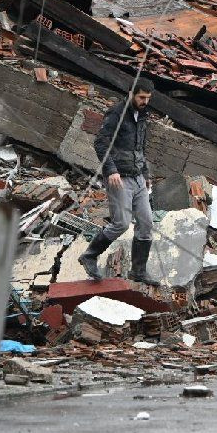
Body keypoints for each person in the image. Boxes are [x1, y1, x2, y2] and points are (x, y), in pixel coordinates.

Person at [78, 79, 157, 285]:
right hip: (119, 177)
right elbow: (101, 142)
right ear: (131, 93)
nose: (144, 101)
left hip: (138, 176)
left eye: (148, 98)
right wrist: (110, 170)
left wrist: (146, 174)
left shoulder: (143, 116)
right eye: (141, 97)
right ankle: (90, 255)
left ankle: (138, 272)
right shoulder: (116, 113)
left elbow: (141, 147)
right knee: (121, 223)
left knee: (146, 223)